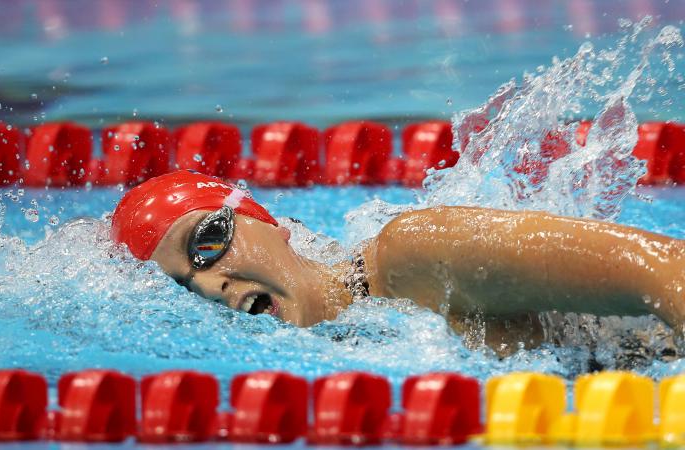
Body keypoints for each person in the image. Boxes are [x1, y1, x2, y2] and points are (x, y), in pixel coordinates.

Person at [111, 170, 685, 355]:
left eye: (207, 243)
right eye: (182, 285)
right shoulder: (359, 336)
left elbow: (668, 268)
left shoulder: (416, 255)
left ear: (271, 223)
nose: (211, 284)